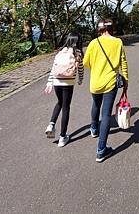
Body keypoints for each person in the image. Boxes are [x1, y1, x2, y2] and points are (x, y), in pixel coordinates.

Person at [83, 19, 129, 162]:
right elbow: (123, 63)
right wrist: (126, 80)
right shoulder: (118, 42)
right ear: (111, 28)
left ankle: (94, 129)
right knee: (106, 113)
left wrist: (97, 64)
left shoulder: (93, 43)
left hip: (95, 83)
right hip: (110, 83)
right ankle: (101, 150)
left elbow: (86, 63)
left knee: (96, 105)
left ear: (100, 29)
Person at [44, 34, 84, 147]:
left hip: (56, 81)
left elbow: (53, 68)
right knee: (66, 107)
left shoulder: (61, 51)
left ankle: (51, 124)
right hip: (68, 82)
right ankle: (62, 137)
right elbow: (80, 69)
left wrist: (49, 82)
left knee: (59, 103)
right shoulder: (77, 53)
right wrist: (80, 80)